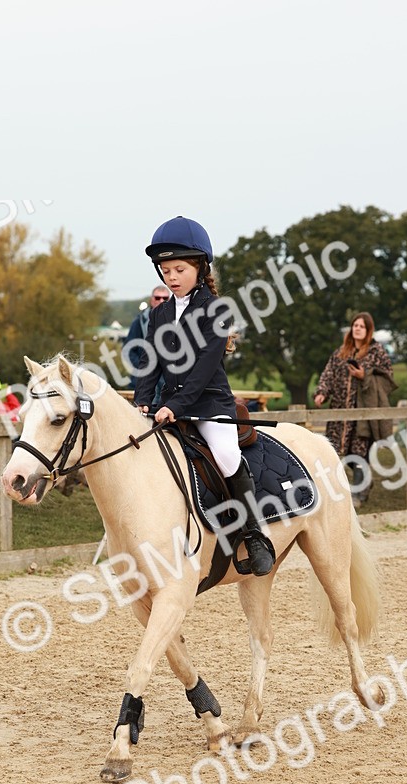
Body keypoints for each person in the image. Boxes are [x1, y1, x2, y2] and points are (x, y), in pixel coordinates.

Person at [133, 215, 275, 576]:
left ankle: (254, 535)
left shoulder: (217, 310)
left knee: (226, 456)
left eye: (179, 269)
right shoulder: (159, 314)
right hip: (168, 406)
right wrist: (142, 399)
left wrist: (174, 405)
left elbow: (204, 369)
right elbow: (150, 362)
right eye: (166, 271)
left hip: (209, 404)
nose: (172, 277)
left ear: (200, 267)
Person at [313, 312, 394, 504]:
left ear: (368, 330)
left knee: (359, 451)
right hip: (340, 411)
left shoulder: (376, 352)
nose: (357, 328)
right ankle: (365, 482)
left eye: (361, 326)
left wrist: (364, 376)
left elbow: (388, 379)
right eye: (355, 325)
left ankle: (359, 494)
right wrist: (321, 392)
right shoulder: (341, 352)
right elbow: (328, 374)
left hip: (363, 412)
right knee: (342, 452)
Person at [123, 284, 170, 392]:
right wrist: (143, 367)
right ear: (151, 299)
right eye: (157, 298)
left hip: (167, 383)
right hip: (143, 382)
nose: (161, 301)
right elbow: (128, 349)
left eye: (165, 298)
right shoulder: (140, 321)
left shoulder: (177, 320)